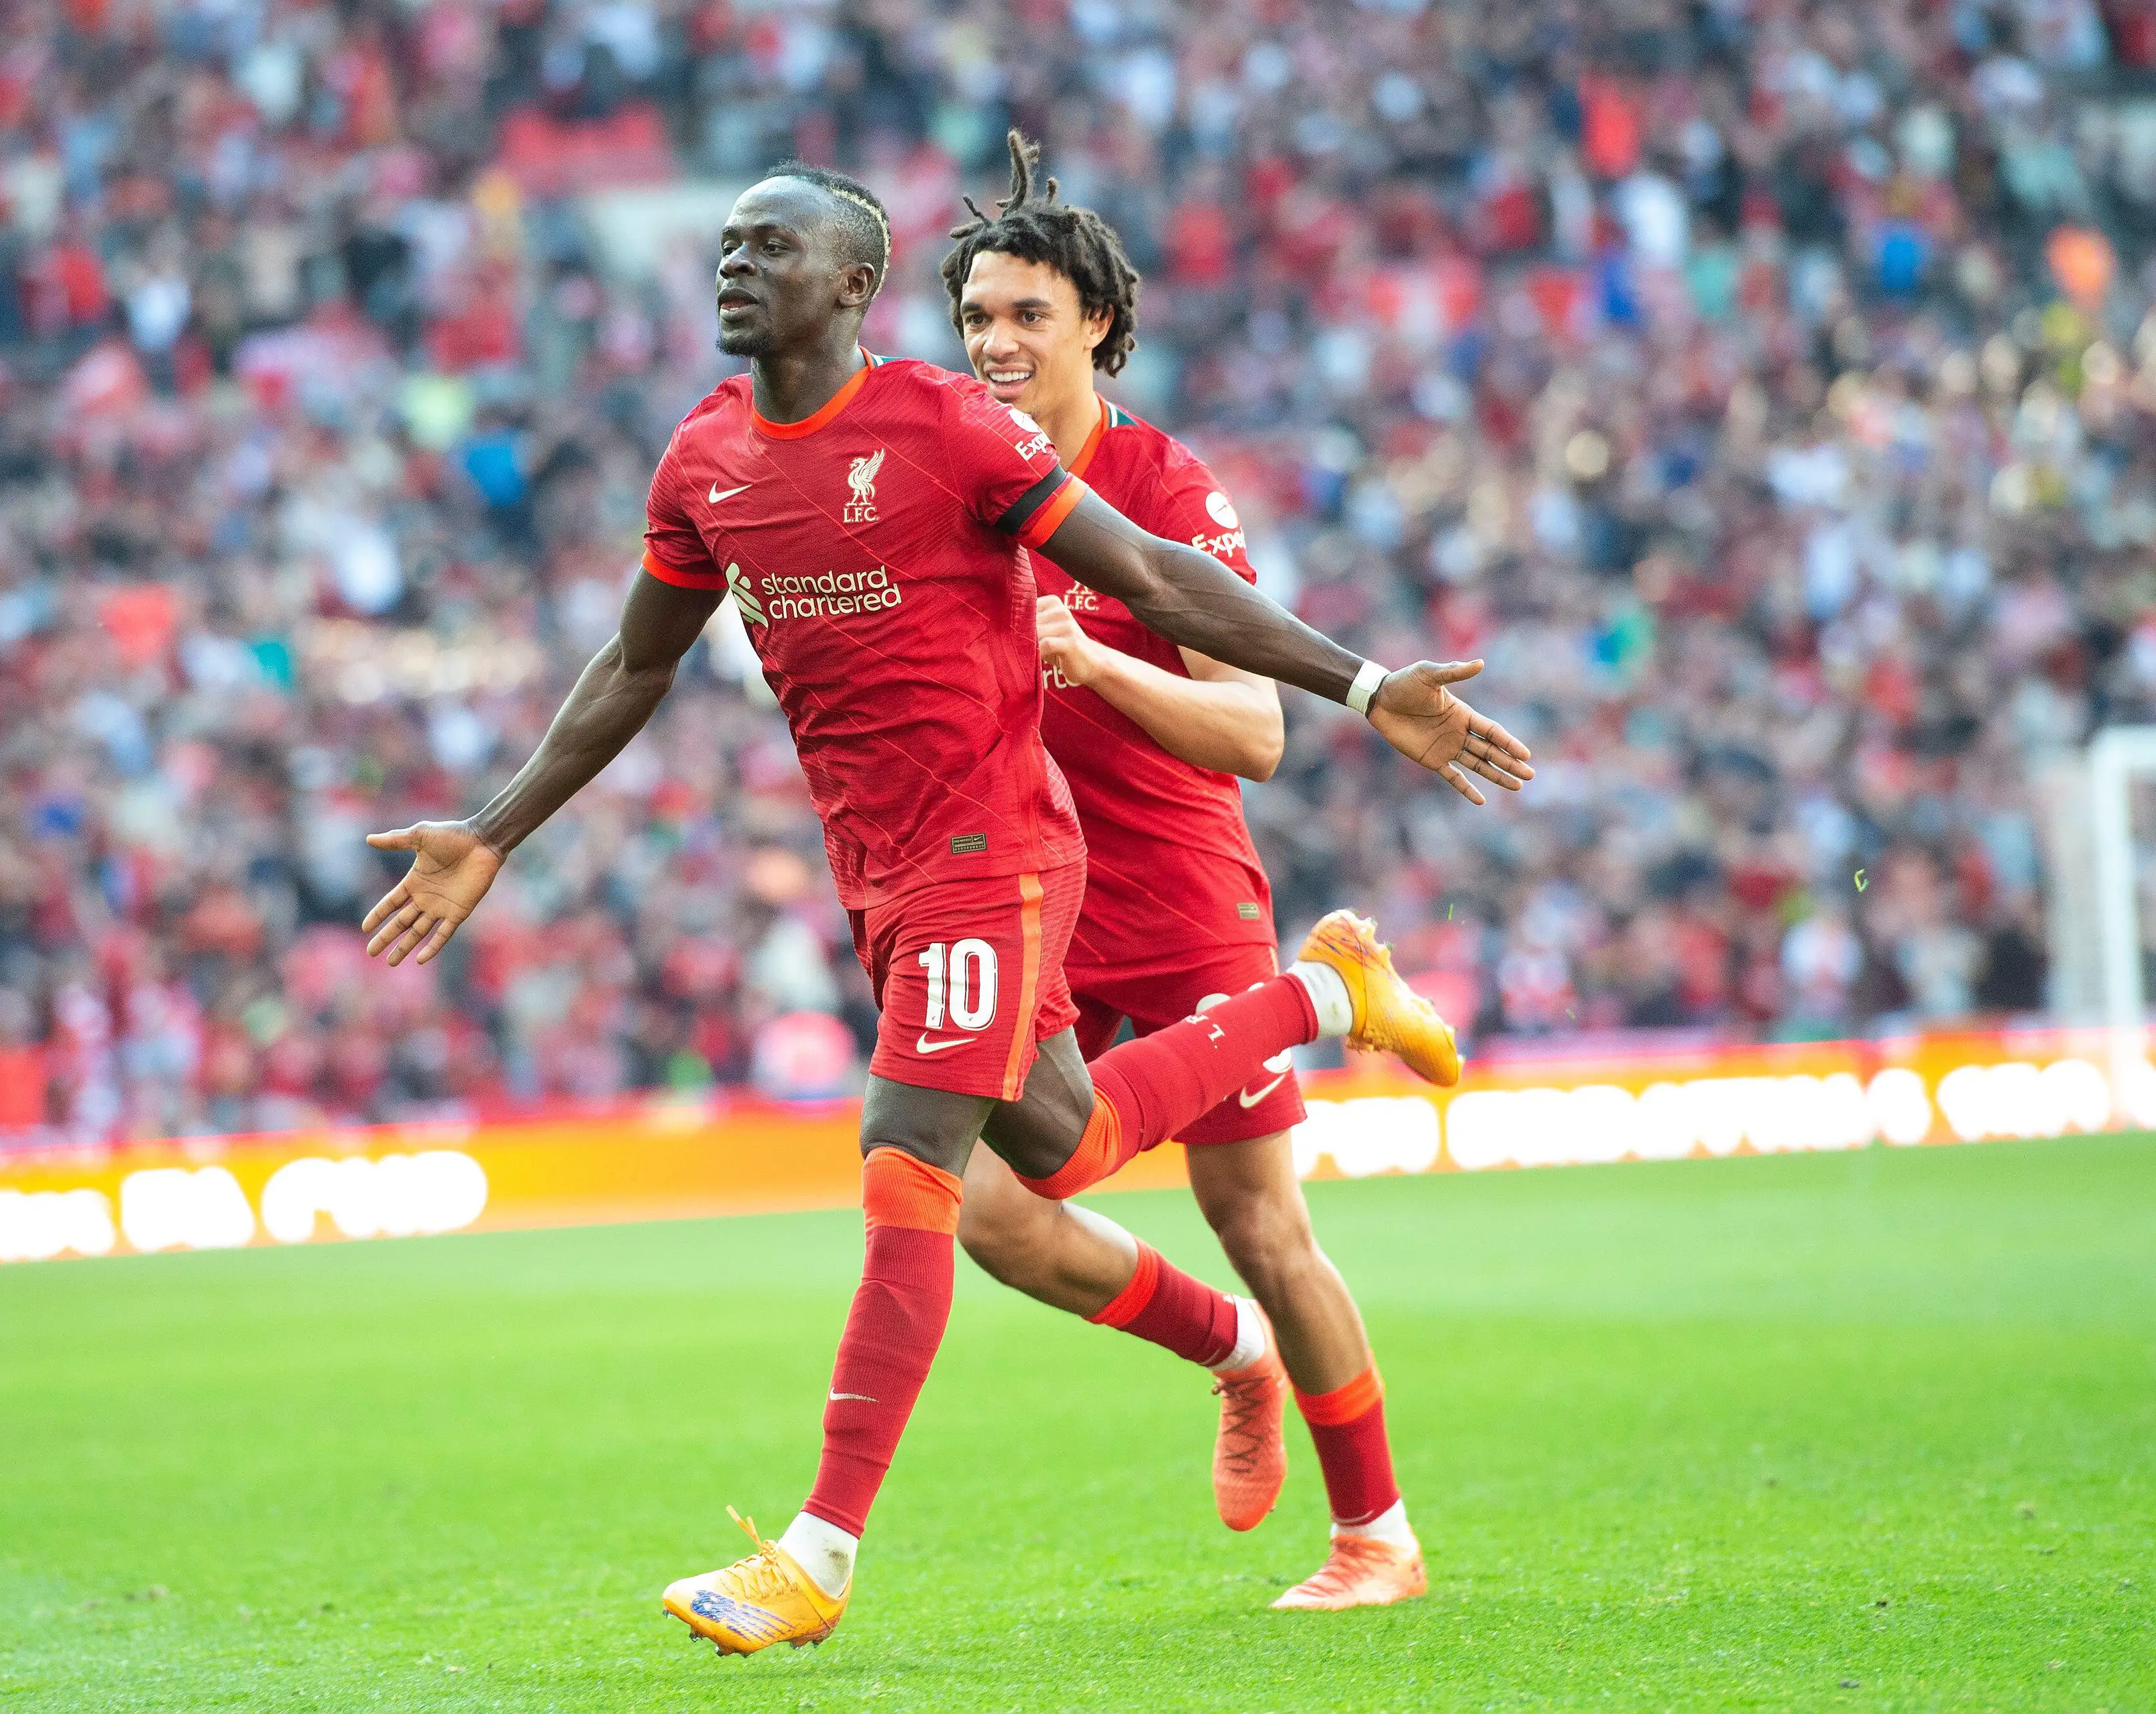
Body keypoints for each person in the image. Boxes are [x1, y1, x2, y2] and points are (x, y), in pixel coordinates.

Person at [358, 162, 1534, 1657]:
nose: (734, 265)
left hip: (1051, 861)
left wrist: (1362, 687)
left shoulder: (988, 441)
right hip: (903, 873)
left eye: (770, 245)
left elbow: (1182, 615)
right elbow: (638, 662)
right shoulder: (706, 456)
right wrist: (492, 830)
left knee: (957, 1169)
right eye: (725, 245)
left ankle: (832, 1553)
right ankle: (1314, 1039)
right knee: (1047, 1166)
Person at [941, 132, 1438, 1611]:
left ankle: (1379, 1541)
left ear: (1097, 321)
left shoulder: (1161, 484)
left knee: (1262, 1226)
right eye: (976, 317)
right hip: (1031, 901)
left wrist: (1092, 660)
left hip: (1174, 893)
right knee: (993, 1216)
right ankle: (1232, 1353)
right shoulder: (957, 475)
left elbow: (1254, 734)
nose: (997, 341)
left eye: (1028, 314)